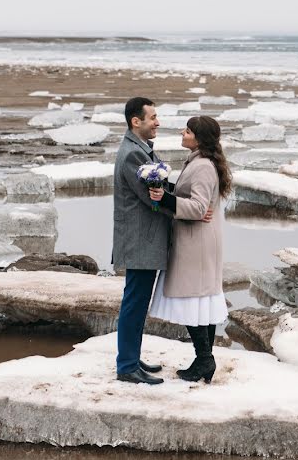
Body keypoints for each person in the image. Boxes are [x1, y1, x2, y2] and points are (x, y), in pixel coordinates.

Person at [148, 115, 231, 383]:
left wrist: (165, 200)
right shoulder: (198, 162)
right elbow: (191, 197)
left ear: (199, 137)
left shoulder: (204, 166)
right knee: (200, 301)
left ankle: (205, 360)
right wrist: (165, 188)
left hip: (197, 243)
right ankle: (204, 360)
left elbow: (197, 207)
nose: (182, 133)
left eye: (188, 130)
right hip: (197, 241)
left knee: (194, 300)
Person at [111, 97, 171, 385]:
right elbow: (151, 199)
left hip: (141, 240)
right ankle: (127, 366)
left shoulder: (140, 149)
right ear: (136, 121)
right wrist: (177, 204)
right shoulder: (133, 155)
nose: (157, 122)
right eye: (153, 117)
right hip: (139, 241)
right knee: (134, 303)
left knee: (137, 302)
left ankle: (132, 357)